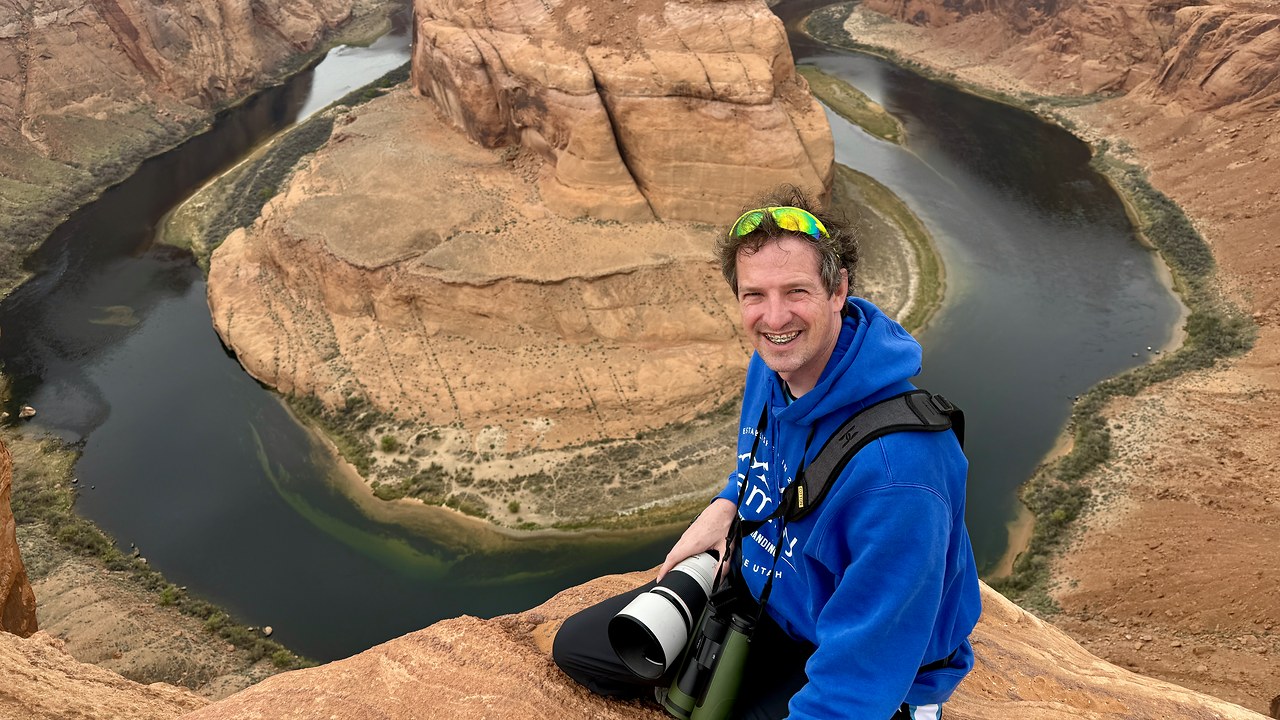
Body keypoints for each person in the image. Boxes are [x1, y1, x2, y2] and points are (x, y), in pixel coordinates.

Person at [552, 185, 982, 719]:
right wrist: (729, 501)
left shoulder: (901, 471)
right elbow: (771, 465)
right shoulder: (774, 367)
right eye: (755, 295)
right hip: (760, 602)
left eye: (795, 291)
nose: (774, 319)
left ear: (837, 290)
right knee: (582, 649)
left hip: (842, 644)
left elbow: (862, 666)